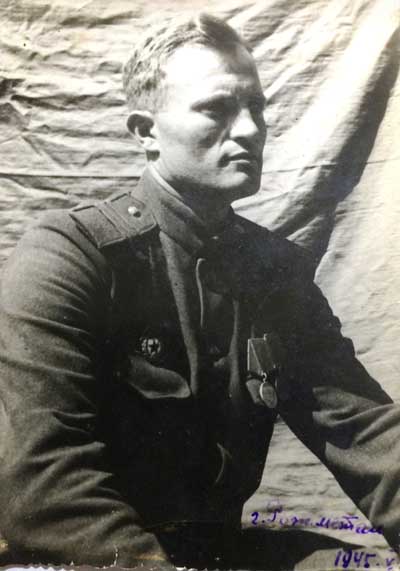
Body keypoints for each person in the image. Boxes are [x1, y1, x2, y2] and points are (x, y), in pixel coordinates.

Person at [0, 12, 400, 570]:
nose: (251, 130)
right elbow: (45, 487)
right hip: (91, 556)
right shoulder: (72, 255)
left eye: (256, 107)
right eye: (217, 109)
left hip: (214, 551)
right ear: (146, 132)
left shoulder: (273, 272)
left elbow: (365, 432)